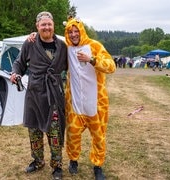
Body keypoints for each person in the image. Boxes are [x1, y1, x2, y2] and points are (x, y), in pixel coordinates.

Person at [10, 11, 68, 180]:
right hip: (34, 92)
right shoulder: (30, 43)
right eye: (43, 24)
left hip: (54, 93)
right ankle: (38, 161)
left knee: (55, 130)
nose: (46, 27)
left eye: (49, 24)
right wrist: (15, 73)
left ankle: (57, 166)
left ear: (53, 25)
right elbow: (19, 63)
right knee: (34, 130)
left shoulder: (62, 46)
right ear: (37, 26)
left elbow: (72, 65)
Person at [64, 17, 116, 180]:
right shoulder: (66, 48)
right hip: (75, 104)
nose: (73, 35)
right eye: (70, 32)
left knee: (99, 137)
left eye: (75, 31)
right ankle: (73, 161)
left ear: (81, 31)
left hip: (95, 104)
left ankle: (98, 165)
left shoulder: (94, 45)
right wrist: (33, 36)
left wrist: (91, 60)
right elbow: (48, 40)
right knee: (72, 135)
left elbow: (111, 66)